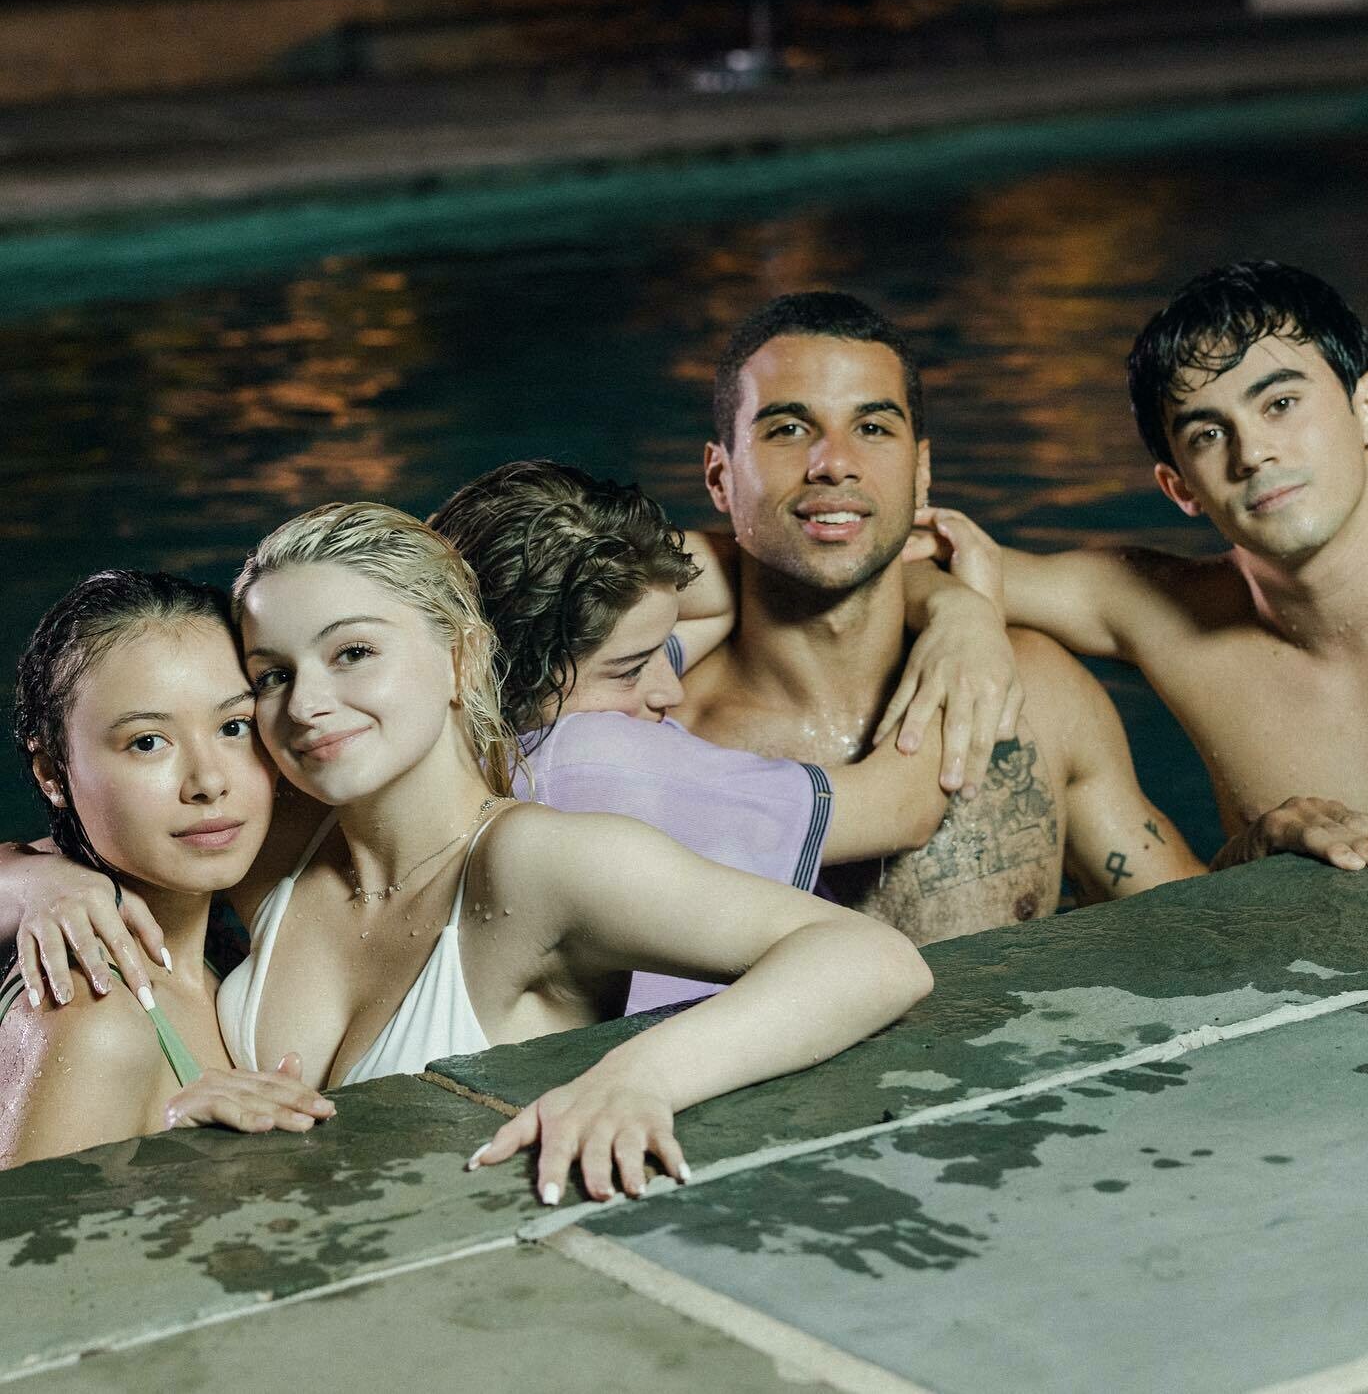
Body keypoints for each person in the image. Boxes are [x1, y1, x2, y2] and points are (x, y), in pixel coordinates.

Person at [5, 505, 929, 1201]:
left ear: (458, 656)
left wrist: (637, 1077)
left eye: (353, 652)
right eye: (274, 675)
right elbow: (102, 828)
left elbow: (871, 957)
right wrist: (45, 882)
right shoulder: (278, 840)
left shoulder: (532, 865)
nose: (309, 704)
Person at [667, 291, 1215, 945]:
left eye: (873, 428)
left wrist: (1266, 857)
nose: (834, 463)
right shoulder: (665, 736)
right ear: (720, 477)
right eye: (787, 429)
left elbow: (1195, 933)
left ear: (921, 471)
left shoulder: (1040, 695)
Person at [907, 262, 1368, 865]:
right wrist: (956, 612)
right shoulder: (1155, 610)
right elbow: (884, 558)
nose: (1252, 452)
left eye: (1280, 403)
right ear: (1180, 488)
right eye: (1208, 435)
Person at [430, 458, 956, 1009]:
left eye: (662, 648)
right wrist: (959, 637)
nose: (670, 689)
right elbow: (905, 808)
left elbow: (713, 606)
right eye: (632, 669)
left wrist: (608, 553)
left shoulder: (481, 724)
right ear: (503, 670)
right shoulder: (593, 757)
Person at [0, 571, 335, 1170]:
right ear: (52, 773)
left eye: (233, 727)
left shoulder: (227, 947)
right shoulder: (93, 1020)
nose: (208, 782)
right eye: (148, 742)